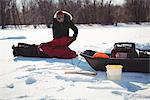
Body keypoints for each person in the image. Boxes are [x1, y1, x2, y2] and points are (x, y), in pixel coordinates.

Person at [12, 10, 78, 59]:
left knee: (38, 49)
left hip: (62, 40)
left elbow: (75, 30)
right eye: (57, 18)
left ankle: (18, 49)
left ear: (63, 17)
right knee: (38, 47)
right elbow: (54, 34)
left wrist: (74, 36)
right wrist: (53, 42)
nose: (58, 19)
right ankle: (21, 46)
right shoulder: (55, 22)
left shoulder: (68, 22)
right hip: (57, 41)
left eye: (60, 18)